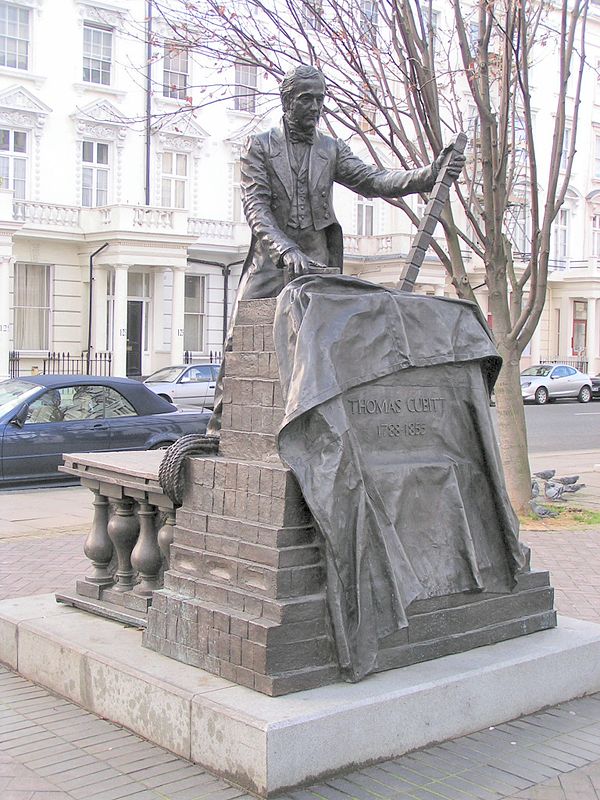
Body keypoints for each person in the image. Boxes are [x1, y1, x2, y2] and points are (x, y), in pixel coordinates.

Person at [207, 64, 465, 434]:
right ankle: (219, 429)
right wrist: (285, 250)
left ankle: (319, 431)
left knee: (322, 347)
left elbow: (374, 180)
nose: (315, 108)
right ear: (287, 101)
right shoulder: (260, 146)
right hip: (271, 260)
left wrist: (428, 174)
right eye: (306, 100)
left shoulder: (330, 149)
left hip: (318, 261)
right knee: (239, 339)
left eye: (320, 100)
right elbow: (257, 209)